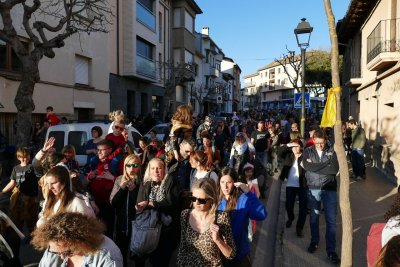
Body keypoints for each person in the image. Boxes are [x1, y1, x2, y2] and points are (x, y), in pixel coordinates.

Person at [177, 178, 236, 267]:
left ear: (211, 200)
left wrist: (218, 240)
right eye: (193, 198)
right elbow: (182, 247)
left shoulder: (221, 218)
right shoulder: (185, 215)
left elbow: (231, 254)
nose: (196, 203)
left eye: (201, 200)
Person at [302, 129, 340, 264]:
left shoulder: (332, 151)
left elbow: (334, 170)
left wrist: (314, 167)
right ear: (313, 141)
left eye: (322, 143)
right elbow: (306, 166)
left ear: (326, 140)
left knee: (331, 222)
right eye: (317, 143)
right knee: (314, 218)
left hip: (330, 189)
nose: (320, 146)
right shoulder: (307, 151)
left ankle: (331, 250)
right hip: (313, 189)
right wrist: (325, 165)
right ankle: (314, 241)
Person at [32, 212, 123, 267]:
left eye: (68, 252)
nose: (62, 257)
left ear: (81, 241)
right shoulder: (56, 246)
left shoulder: (107, 256)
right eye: (57, 253)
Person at [134, 157, 179, 267]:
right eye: (153, 168)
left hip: (165, 229)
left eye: (159, 168)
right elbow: (139, 202)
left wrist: (152, 204)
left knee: (161, 262)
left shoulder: (170, 180)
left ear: (164, 169)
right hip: (148, 228)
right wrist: (139, 207)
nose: (156, 171)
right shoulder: (145, 183)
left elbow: (171, 202)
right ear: (149, 170)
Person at [217, 167, 267, 266]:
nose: (225, 186)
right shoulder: (216, 200)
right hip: (221, 255)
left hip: (240, 256)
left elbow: (262, 215)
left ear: (235, 183)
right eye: (222, 182)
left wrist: (249, 193)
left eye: (229, 182)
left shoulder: (243, 199)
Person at [110, 155, 142, 267]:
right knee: (121, 252)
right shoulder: (119, 179)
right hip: (122, 223)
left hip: (138, 223)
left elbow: (141, 203)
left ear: (139, 166)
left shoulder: (143, 180)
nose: (131, 168)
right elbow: (113, 202)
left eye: (135, 165)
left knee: (138, 255)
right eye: (128, 165)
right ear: (125, 166)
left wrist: (133, 190)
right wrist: (122, 189)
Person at [87, 139, 122, 237]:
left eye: (101, 150)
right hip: (95, 202)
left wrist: (112, 178)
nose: (98, 152)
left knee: (107, 230)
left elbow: (124, 180)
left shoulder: (115, 163)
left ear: (110, 150)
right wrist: (90, 176)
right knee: (95, 229)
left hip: (108, 204)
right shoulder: (94, 161)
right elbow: (87, 177)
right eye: (98, 150)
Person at [0, 147, 38, 234]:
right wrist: (2, 192)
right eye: (23, 157)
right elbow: (12, 183)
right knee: (18, 218)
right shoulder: (16, 169)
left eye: (27, 156)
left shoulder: (32, 167)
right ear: (18, 158)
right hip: (19, 198)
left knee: (31, 219)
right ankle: (19, 235)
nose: (25, 159)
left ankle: (32, 235)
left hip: (32, 198)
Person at [278, 139, 307, 237]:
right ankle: (291, 218)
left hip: (303, 185)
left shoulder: (305, 156)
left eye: (297, 146)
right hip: (290, 185)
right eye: (293, 146)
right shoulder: (288, 155)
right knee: (289, 205)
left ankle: (299, 227)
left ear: (301, 147)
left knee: (303, 208)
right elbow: (279, 151)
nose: (295, 148)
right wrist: (289, 144)